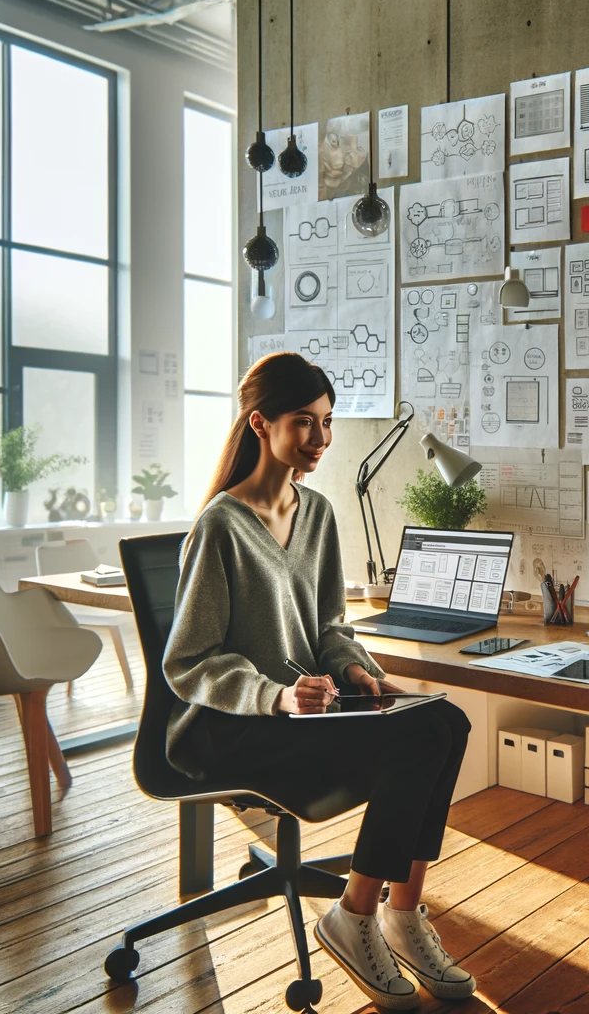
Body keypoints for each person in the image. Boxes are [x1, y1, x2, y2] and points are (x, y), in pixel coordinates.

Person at [162, 352, 474, 1010]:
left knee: (447, 720)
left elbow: (329, 624)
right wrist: (275, 694)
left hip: (306, 716)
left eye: (326, 422)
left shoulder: (320, 514)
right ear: (260, 423)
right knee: (418, 740)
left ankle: (402, 913)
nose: (321, 440)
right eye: (304, 422)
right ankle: (352, 916)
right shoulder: (221, 526)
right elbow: (188, 663)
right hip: (231, 729)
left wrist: (352, 667)